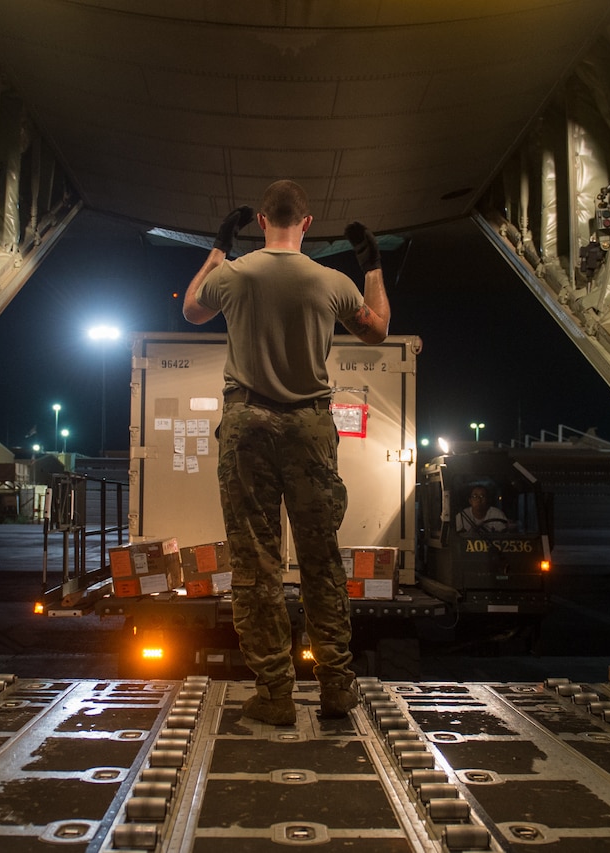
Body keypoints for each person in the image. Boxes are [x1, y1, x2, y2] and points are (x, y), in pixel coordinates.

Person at [182, 180, 391, 725]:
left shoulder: (232, 275)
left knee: (257, 564)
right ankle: (336, 689)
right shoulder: (332, 280)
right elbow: (378, 329)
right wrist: (371, 266)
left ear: (258, 219)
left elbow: (191, 311)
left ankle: (275, 694)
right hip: (310, 430)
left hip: (247, 424)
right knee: (321, 562)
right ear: (307, 223)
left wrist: (218, 248)